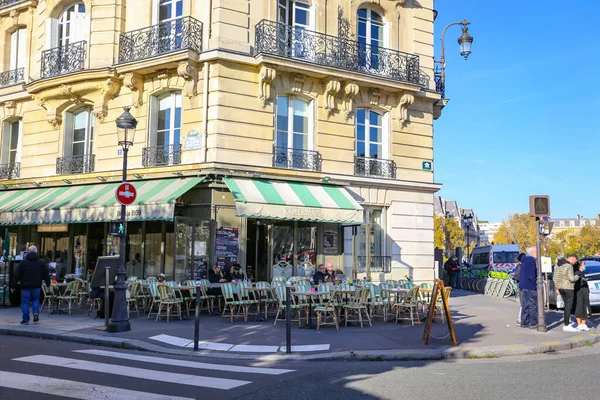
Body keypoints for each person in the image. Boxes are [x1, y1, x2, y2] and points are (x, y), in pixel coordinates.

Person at [13, 246, 50, 325]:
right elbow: (46, 273)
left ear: (28, 252)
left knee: (25, 302)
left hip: (25, 286)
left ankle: (25, 319)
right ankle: (35, 313)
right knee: (35, 300)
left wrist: (13, 285)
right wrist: (48, 283)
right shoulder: (41, 262)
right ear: (36, 252)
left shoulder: (23, 262)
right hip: (36, 285)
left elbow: (17, 274)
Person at [554, 254, 581, 332]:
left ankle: (567, 321)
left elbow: (554, 277)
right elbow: (572, 279)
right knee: (568, 307)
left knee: (566, 306)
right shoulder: (568, 266)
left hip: (561, 288)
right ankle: (566, 324)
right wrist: (578, 275)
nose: (574, 263)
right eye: (574, 262)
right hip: (568, 288)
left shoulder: (557, 265)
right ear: (572, 259)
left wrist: (557, 287)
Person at [518, 246, 538, 329]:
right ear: (533, 252)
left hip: (523, 285)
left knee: (525, 304)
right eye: (537, 251)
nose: (538, 253)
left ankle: (524, 322)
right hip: (530, 285)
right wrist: (535, 282)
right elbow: (531, 274)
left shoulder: (525, 259)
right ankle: (533, 323)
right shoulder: (531, 260)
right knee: (533, 304)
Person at [573, 261, 590, 331]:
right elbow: (577, 283)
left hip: (584, 293)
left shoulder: (582, 273)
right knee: (579, 308)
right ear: (579, 266)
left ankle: (583, 323)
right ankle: (579, 324)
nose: (584, 266)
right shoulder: (577, 273)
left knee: (585, 308)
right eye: (583, 265)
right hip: (579, 293)